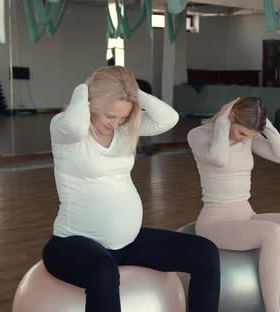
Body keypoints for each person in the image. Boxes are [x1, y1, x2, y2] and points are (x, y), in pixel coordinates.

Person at [42, 66, 220, 312]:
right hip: (73, 244)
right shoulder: (65, 130)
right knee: (103, 272)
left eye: (123, 117)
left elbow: (169, 118)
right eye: (109, 116)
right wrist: (84, 89)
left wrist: (134, 93)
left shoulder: (124, 129)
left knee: (205, 253)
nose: (115, 124)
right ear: (91, 104)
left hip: (127, 243)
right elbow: (73, 125)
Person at [187, 97, 280, 312]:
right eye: (242, 133)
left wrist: (265, 125)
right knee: (272, 232)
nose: (244, 140)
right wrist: (223, 124)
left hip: (246, 214)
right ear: (231, 117)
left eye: (250, 136)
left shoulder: (248, 139)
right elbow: (219, 159)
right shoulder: (198, 135)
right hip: (215, 223)